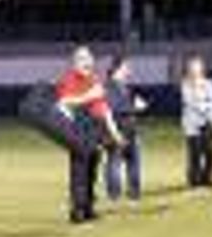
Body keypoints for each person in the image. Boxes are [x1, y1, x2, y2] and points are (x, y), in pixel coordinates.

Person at [55, 45, 125, 223]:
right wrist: (89, 95)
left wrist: (114, 132)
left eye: (88, 59)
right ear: (74, 62)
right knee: (79, 171)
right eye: (82, 59)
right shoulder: (68, 79)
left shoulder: (94, 79)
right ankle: (77, 210)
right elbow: (63, 103)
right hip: (78, 128)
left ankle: (88, 207)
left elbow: (103, 108)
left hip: (95, 128)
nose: (86, 62)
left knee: (92, 170)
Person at [102, 55, 147, 202]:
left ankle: (134, 193)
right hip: (117, 130)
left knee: (134, 162)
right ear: (118, 68)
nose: (129, 70)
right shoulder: (109, 86)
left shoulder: (125, 86)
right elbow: (114, 108)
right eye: (126, 67)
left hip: (130, 130)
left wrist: (135, 104)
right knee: (114, 163)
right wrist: (135, 107)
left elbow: (126, 105)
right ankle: (114, 194)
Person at [180, 55, 212, 188]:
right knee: (195, 153)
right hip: (192, 124)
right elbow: (190, 102)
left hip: (208, 122)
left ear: (201, 68)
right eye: (192, 67)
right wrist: (204, 105)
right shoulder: (186, 84)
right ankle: (194, 179)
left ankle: (208, 177)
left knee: (211, 151)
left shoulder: (209, 83)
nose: (195, 70)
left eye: (197, 67)